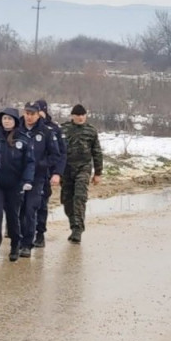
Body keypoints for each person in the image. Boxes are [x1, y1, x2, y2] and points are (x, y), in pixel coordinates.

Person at [0, 108, 34, 265]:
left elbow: (29, 162)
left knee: (13, 216)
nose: (6, 121)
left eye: (10, 119)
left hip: (15, 184)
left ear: (15, 121)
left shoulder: (24, 139)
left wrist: (27, 180)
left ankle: (15, 244)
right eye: (4, 118)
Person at [17, 102, 61, 257]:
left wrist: (42, 165)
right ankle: (18, 240)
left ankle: (27, 244)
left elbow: (55, 155)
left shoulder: (46, 132)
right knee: (19, 210)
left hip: (37, 177)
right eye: (27, 113)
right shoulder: (17, 130)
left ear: (38, 115)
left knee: (31, 209)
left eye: (32, 114)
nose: (29, 117)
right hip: (19, 177)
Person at [60, 104, 103, 244]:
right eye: (78, 115)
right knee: (67, 200)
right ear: (72, 116)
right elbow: (56, 150)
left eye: (83, 115)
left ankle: (78, 229)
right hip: (66, 169)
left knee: (79, 197)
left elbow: (97, 152)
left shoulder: (91, 131)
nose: (80, 118)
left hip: (83, 168)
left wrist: (98, 173)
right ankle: (73, 225)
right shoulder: (63, 129)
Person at [33, 99, 67, 247]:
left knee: (41, 205)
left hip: (46, 172)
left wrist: (57, 173)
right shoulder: (24, 127)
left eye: (39, 111)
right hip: (26, 173)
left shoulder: (53, 129)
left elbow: (62, 153)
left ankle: (40, 234)